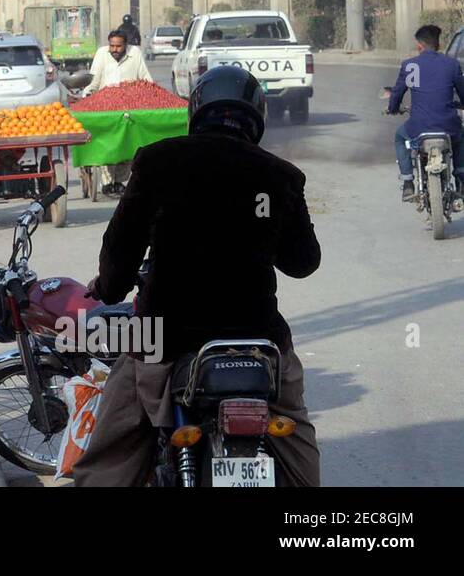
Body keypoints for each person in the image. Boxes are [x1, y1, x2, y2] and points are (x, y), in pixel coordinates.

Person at [73, 66, 322, 487]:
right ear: (257, 116)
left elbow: (120, 250)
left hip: (165, 335)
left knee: (114, 447)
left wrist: (109, 287)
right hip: (258, 339)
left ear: (196, 110)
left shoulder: (159, 161)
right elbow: (303, 262)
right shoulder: (279, 175)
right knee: (297, 445)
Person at [387, 24, 464, 201]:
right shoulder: (452, 65)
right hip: (448, 125)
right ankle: (461, 177)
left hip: (418, 127)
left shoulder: (409, 65)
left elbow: (397, 92)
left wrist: (392, 109)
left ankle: (407, 183)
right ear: (438, 44)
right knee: (461, 137)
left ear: (419, 46)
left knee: (400, 137)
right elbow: (462, 92)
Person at [83, 30, 154, 194]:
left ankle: (120, 181)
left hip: (129, 107)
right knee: (109, 144)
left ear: (125, 45)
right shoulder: (102, 54)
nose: (114, 49)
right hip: (106, 107)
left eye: (118, 46)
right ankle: (107, 182)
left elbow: (145, 78)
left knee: (128, 145)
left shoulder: (135, 53)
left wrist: (150, 94)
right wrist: (87, 94)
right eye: (112, 46)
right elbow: (94, 80)